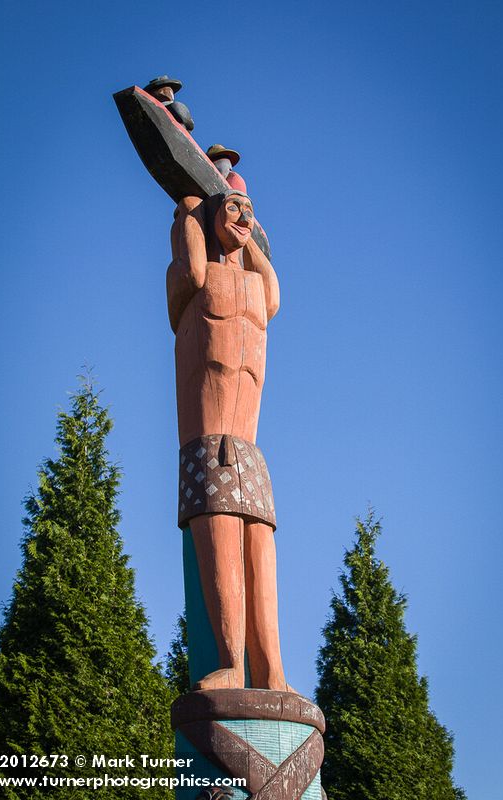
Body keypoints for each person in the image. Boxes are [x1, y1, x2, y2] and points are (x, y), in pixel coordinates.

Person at [167, 191, 288, 691]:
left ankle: (273, 671)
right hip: (207, 440)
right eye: (232, 206)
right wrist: (193, 206)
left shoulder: (257, 288)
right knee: (219, 547)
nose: (242, 215)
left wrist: (249, 231)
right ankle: (230, 664)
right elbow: (191, 266)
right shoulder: (196, 278)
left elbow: (276, 291)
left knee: (260, 546)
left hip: (249, 446)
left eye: (250, 207)